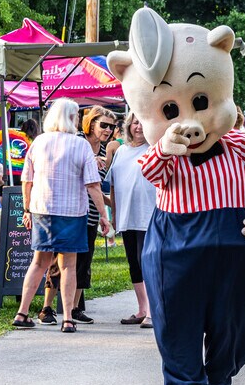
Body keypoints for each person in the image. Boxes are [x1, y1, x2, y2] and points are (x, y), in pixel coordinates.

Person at [12, 99, 110, 334]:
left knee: (38, 262)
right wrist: (105, 216)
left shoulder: (39, 142)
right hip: (72, 212)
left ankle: (22, 313)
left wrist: (27, 209)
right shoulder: (81, 146)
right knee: (68, 266)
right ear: (70, 118)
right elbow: (93, 185)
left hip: (42, 210)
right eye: (76, 115)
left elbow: (27, 180)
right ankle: (67, 319)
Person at [38, 106, 119, 326]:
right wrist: (92, 159)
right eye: (104, 125)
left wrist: (111, 209)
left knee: (84, 263)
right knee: (58, 261)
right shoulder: (76, 140)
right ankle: (47, 308)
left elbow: (98, 188)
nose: (108, 130)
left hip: (91, 215)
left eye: (112, 127)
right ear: (91, 123)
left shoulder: (104, 149)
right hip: (69, 212)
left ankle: (73, 309)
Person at [104, 113, 156, 328]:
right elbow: (114, 184)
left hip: (148, 214)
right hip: (126, 214)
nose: (139, 127)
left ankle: (153, 312)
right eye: (136, 123)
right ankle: (142, 309)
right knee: (134, 263)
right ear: (128, 126)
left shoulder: (154, 149)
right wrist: (114, 214)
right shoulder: (122, 151)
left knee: (147, 263)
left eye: (143, 122)